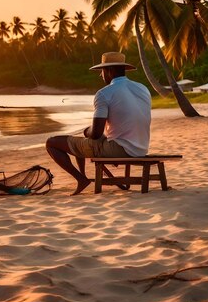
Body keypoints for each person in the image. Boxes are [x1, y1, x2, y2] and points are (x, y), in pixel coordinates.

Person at [45, 52, 151, 195]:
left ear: (109, 71)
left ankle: (81, 179)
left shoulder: (104, 93)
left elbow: (95, 134)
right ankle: (83, 177)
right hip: (141, 148)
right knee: (80, 142)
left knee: (52, 142)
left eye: (102, 71)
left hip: (120, 149)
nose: (101, 75)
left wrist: (87, 131)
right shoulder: (142, 89)